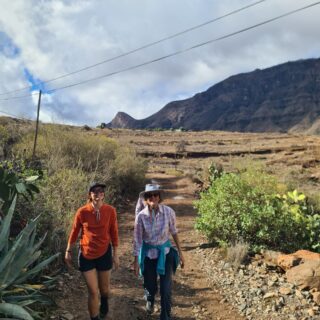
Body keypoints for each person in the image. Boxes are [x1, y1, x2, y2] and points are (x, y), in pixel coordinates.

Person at [65, 182, 119, 320]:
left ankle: (105, 301)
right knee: (93, 291)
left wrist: (116, 253)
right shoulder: (82, 212)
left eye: (100, 191)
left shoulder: (110, 210)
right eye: (94, 191)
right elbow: (74, 231)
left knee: (104, 290)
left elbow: (114, 232)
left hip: (104, 253)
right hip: (86, 254)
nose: (97, 193)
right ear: (90, 194)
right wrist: (68, 250)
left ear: (103, 194)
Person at [133, 184, 185, 320]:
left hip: (165, 253)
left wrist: (181, 253)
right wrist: (136, 261)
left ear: (159, 197)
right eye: (149, 195)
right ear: (145, 198)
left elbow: (174, 232)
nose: (153, 198)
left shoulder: (168, 212)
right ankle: (150, 298)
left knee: (166, 289)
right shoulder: (141, 217)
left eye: (155, 195)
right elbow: (137, 240)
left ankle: (165, 316)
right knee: (150, 284)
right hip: (149, 254)